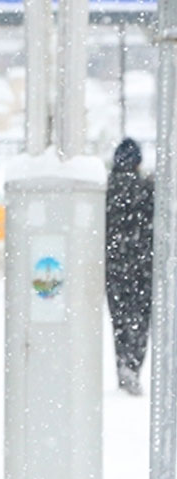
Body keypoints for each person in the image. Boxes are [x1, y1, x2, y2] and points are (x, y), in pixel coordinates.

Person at [105, 138, 154, 396]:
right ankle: (133, 366)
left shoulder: (106, 189)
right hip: (143, 268)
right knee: (140, 321)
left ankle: (122, 363)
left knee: (120, 321)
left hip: (114, 268)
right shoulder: (148, 188)